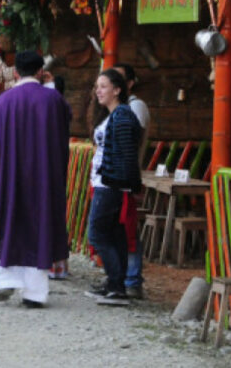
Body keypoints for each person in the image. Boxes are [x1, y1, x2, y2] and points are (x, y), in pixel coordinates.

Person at [0, 51, 71, 308]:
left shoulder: (3, 101)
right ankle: (34, 293)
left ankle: (6, 278)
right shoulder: (52, 100)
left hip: (9, 174)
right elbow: (64, 125)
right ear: (41, 71)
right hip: (42, 175)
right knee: (38, 226)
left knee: (5, 220)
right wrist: (50, 87)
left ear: (16, 72)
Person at [85, 69, 143, 307]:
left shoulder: (122, 116)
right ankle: (115, 284)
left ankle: (117, 283)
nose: (98, 91)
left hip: (111, 183)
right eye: (97, 86)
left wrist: (132, 183)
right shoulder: (114, 115)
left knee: (97, 233)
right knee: (114, 233)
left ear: (117, 90)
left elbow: (128, 154)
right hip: (107, 182)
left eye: (103, 86)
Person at [112, 63, 151, 299]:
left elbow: (129, 142)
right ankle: (117, 276)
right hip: (113, 177)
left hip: (127, 175)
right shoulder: (118, 107)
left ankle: (133, 279)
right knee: (115, 228)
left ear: (129, 83)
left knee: (129, 228)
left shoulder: (136, 106)